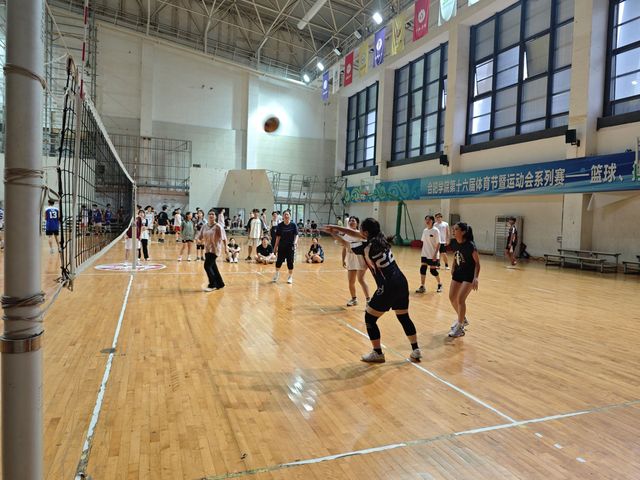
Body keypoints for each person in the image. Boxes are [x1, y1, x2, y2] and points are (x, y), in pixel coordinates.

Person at [322, 219, 421, 363]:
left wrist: (334, 234)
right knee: (403, 317)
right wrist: (337, 228)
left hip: (388, 286)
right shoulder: (381, 238)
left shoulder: (366, 246)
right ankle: (416, 349)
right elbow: (356, 233)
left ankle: (377, 353)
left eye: (361, 229)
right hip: (401, 282)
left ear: (366, 232)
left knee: (370, 318)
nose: (359, 232)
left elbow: (346, 244)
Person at [447, 222, 480, 338]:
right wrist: (453, 266)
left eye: (456, 229)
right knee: (452, 297)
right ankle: (462, 318)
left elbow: (477, 263)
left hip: (469, 275)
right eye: (453, 229)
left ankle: (460, 327)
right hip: (458, 273)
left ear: (463, 232)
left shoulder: (470, 245)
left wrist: (476, 277)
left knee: (460, 299)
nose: (453, 230)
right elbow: (456, 254)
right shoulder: (454, 242)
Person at [336, 216, 371, 307]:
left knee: (361, 279)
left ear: (357, 223)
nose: (351, 222)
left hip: (360, 259)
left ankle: (368, 300)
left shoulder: (360, 234)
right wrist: (343, 260)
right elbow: (344, 248)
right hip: (351, 260)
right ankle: (354, 299)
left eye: (353, 221)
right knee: (351, 281)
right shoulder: (346, 235)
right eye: (350, 221)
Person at [198, 210, 227, 292]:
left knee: (207, 266)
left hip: (215, 250)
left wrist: (226, 248)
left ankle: (213, 284)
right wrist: (199, 240)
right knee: (213, 267)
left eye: (213, 214)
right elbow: (200, 236)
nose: (211, 215)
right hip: (207, 249)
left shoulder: (218, 226)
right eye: (210, 214)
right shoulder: (204, 226)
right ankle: (220, 283)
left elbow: (224, 238)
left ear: (216, 216)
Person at [416, 215, 443, 294]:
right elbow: (424, 242)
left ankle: (440, 284)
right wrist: (422, 252)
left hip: (433, 254)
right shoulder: (425, 230)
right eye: (426, 220)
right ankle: (422, 286)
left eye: (429, 220)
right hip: (424, 254)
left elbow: (438, 243)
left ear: (432, 221)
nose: (427, 221)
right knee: (423, 268)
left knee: (433, 271)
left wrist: (435, 254)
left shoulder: (436, 230)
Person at [272, 210, 298, 284]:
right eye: (285, 215)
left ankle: (290, 276)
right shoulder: (280, 225)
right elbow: (278, 237)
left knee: (290, 262)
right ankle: (277, 274)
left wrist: (295, 242)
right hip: (282, 246)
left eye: (287, 214)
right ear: (283, 216)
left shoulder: (293, 225)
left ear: (290, 216)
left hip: (290, 247)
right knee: (279, 262)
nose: (286, 216)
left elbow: (296, 235)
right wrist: (275, 247)